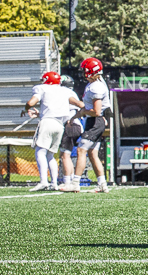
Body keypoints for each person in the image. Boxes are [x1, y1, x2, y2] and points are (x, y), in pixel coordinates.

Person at [22, 72, 82, 191]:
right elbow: (79, 104)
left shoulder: (42, 88)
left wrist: (26, 109)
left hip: (48, 123)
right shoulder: (64, 91)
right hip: (60, 125)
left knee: (40, 152)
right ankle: (54, 183)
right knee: (50, 154)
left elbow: (31, 103)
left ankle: (43, 181)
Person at [62, 58, 112, 193]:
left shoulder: (96, 86)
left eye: (85, 70)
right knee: (92, 153)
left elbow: (96, 111)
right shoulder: (94, 84)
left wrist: (82, 112)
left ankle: (75, 182)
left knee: (81, 150)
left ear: (91, 71)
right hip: (94, 121)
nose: (83, 73)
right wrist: (76, 116)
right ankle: (102, 184)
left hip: (95, 122)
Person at [58, 74, 84, 191]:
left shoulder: (63, 92)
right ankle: (72, 180)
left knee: (65, 155)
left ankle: (67, 182)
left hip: (70, 125)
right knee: (66, 154)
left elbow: (80, 105)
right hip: (77, 125)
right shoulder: (72, 92)